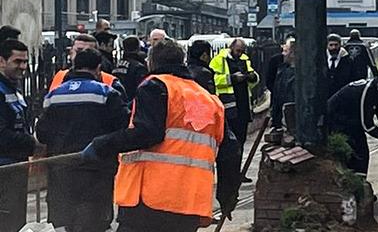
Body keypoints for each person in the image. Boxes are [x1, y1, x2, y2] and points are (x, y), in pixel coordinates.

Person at [84, 39, 241, 232]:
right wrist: (228, 196)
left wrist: (102, 145)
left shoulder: (156, 86)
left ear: (151, 62)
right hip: (189, 202)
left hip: (150, 200)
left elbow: (148, 133)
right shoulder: (209, 100)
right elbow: (230, 151)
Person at [36, 49, 130, 232]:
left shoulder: (54, 95)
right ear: (98, 69)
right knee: (94, 222)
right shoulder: (106, 93)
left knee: (63, 222)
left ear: (74, 66)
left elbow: (42, 133)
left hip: (61, 169)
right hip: (96, 169)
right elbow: (123, 129)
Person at [210, 39, 259, 180]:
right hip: (228, 107)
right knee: (228, 144)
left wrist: (252, 77)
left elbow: (255, 78)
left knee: (241, 141)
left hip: (243, 106)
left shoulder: (244, 59)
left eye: (242, 51)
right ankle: (227, 174)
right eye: (238, 51)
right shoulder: (219, 60)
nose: (240, 54)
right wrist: (232, 78)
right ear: (231, 47)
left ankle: (237, 173)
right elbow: (214, 79)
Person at [0, 39, 36, 232]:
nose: (22, 67)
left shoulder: (12, 88)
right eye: (17, 61)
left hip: (15, 168)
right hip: (4, 170)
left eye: (25, 62)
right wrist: (33, 143)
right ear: (1, 61)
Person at [326, 75, 378, 175]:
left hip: (349, 118)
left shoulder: (377, 91)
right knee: (358, 150)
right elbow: (367, 125)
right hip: (338, 119)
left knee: (361, 150)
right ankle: (356, 177)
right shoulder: (367, 93)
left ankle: (359, 176)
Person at [50, 34, 127, 100]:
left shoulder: (110, 82)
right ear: (71, 53)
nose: (83, 56)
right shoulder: (59, 77)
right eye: (79, 51)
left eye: (88, 52)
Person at [269, 38, 296, 129]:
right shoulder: (282, 71)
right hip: (281, 119)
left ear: (292, 53)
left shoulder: (296, 75)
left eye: (286, 51)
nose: (283, 54)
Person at [326, 34, 362, 98]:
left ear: (340, 45)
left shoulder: (349, 61)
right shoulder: (322, 61)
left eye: (336, 45)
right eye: (331, 45)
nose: (334, 48)